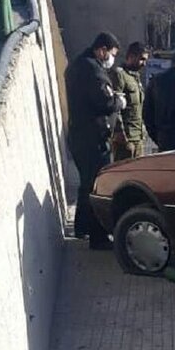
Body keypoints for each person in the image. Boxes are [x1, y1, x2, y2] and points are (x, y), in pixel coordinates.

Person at [65, 32, 127, 249]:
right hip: (93, 138)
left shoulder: (76, 65)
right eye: (111, 54)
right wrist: (118, 102)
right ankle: (97, 237)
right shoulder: (93, 70)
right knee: (96, 186)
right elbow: (104, 102)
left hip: (80, 135)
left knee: (86, 183)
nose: (112, 59)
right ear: (102, 50)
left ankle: (82, 227)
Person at [110, 41, 149, 161]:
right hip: (126, 140)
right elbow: (114, 106)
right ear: (131, 56)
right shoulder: (120, 75)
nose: (144, 63)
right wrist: (120, 133)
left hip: (139, 139)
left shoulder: (135, 78)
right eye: (142, 59)